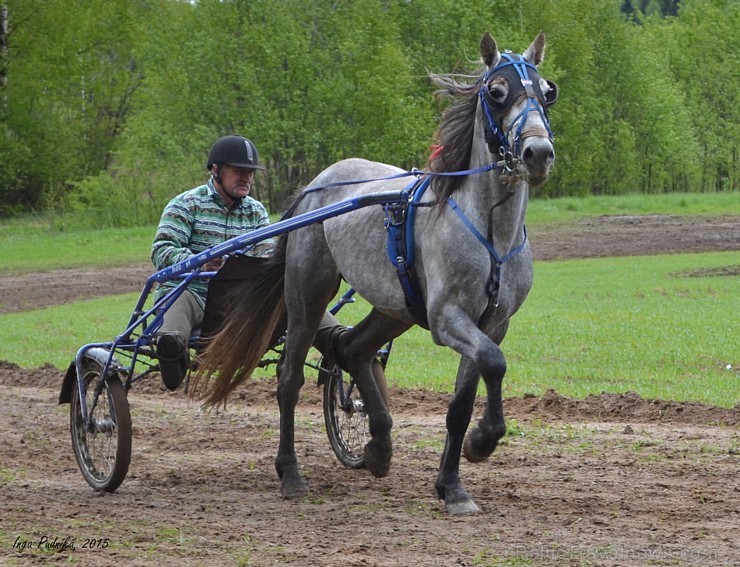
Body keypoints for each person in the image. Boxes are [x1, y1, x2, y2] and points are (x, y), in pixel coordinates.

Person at [151, 134, 274, 390]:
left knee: (298, 292)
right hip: (192, 293)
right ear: (216, 170)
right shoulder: (186, 204)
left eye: (250, 172)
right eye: (238, 171)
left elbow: (268, 251)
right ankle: (172, 352)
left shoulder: (256, 212)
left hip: (239, 300)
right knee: (175, 308)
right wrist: (199, 262)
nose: (246, 178)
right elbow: (162, 250)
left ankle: (336, 338)